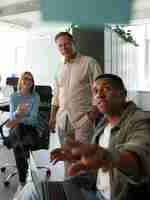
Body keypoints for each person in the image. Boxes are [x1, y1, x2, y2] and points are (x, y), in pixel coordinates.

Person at [16, 74, 150, 200]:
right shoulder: (104, 123)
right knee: (33, 189)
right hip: (92, 189)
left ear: (123, 94)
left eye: (107, 89)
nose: (99, 95)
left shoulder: (142, 121)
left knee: (34, 193)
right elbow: (95, 161)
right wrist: (73, 156)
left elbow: (141, 159)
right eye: (96, 91)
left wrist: (110, 157)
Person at [49, 32, 103, 177]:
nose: (64, 47)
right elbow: (56, 95)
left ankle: (85, 193)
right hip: (62, 120)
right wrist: (52, 117)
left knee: (84, 160)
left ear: (73, 43)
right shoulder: (59, 67)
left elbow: (100, 90)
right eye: (60, 45)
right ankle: (69, 188)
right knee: (67, 157)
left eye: (66, 44)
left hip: (83, 120)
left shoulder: (89, 62)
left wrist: (92, 114)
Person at [6, 71, 46, 197]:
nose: (27, 81)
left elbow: (33, 119)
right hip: (18, 129)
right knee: (18, 131)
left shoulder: (36, 96)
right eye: (25, 78)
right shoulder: (14, 96)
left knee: (18, 142)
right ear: (21, 81)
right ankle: (26, 176)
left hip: (31, 129)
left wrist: (19, 117)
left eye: (30, 79)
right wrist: (19, 112)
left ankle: (22, 181)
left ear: (33, 82)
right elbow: (11, 117)